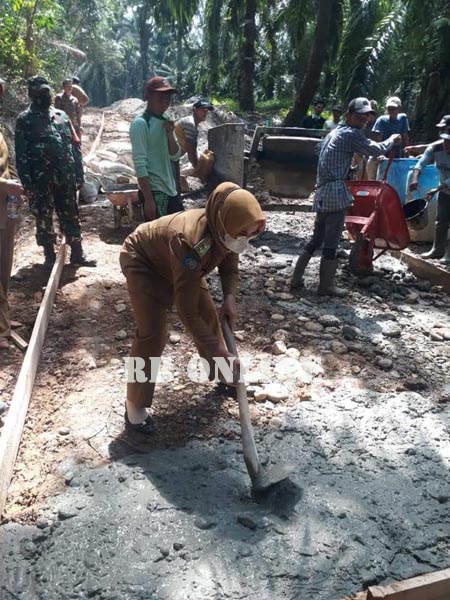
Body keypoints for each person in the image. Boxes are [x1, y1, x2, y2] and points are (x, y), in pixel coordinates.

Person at [119, 182, 266, 435]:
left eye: (249, 235)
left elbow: (230, 262)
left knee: (210, 316)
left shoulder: (226, 227)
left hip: (179, 263)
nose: (244, 241)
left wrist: (229, 296)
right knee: (152, 333)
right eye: (242, 234)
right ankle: (134, 404)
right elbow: (186, 311)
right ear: (225, 223)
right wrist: (220, 349)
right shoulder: (190, 243)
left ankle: (223, 373)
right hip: (143, 260)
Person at [291, 97, 401, 296]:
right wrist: (392, 140)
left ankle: (296, 279)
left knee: (316, 239)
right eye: (359, 116)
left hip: (323, 191)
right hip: (335, 192)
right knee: (332, 242)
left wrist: (346, 164)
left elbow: (322, 154)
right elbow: (375, 149)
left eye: (366, 117)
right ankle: (326, 286)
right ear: (348, 115)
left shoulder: (334, 133)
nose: (363, 120)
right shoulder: (351, 134)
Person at [15, 76, 95, 268]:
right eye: (40, 92)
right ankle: (49, 256)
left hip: (65, 177)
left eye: (46, 91)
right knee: (44, 218)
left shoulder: (61, 116)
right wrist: (27, 184)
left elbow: (74, 146)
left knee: (71, 215)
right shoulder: (24, 120)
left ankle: (77, 254)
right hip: (40, 181)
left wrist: (79, 173)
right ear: (32, 95)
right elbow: (22, 155)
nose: (45, 95)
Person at [129, 76, 183, 222]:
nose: (164, 104)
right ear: (148, 97)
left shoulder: (166, 121)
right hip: (155, 192)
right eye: (160, 99)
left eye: (167, 100)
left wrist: (170, 134)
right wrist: (148, 199)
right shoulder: (141, 124)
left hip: (170, 190)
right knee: (160, 240)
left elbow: (175, 156)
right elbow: (140, 164)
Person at [0, 76, 25, 350]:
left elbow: (6, 164)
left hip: (5, 208)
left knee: (4, 265)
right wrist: (5, 184)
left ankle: (3, 316)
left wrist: (16, 185)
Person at [408, 116, 450, 262]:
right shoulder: (435, 148)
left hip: (444, 186)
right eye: (445, 140)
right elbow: (421, 163)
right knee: (441, 221)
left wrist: (437, 189)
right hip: (445, 191)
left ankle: (448, 254)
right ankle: (437, 250)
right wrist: (414, 178)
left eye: (449, 142)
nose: (447, 144)